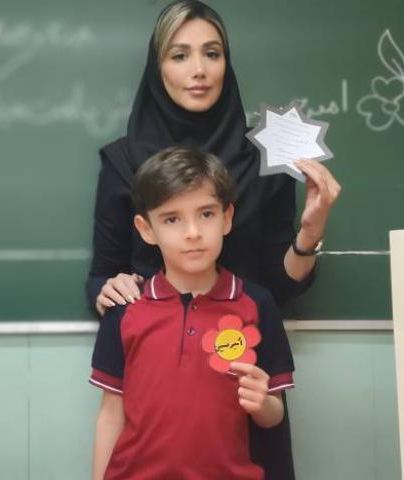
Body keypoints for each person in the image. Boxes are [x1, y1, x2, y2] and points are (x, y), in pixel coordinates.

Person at [86, 1, 341, 477]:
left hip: (242, 385)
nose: (199, 70)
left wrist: (310, 232)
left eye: (212, 53)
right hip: (156, 400)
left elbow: (279, 287)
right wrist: (109, 288)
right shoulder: (123, 163)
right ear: (158, 66)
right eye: (180, 55)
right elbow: (102, 275)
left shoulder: (264, 161)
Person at [90, 146, 296, 480]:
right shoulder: (125, 310)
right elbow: (111, 415)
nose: (193, 232)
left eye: (206, 214)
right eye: (172, 219)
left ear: (226, 218)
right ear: (146, 229)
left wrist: (263, 403)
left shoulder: (257, 304)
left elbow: (274, 414)